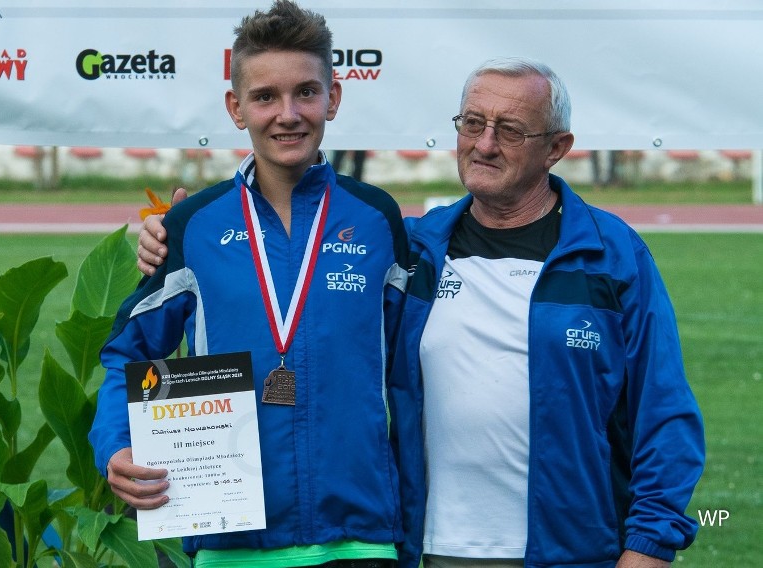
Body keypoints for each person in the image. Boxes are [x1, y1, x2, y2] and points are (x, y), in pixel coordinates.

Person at [138, 57, 705, 567]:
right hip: (425, 548)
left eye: (509, 130)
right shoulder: (411, 248)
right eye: (472, 123)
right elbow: (297, 291)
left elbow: (665, 414)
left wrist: (649, 547)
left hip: (572, 551)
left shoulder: (611, 254)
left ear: (556, 147)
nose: (484, 144)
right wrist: (182, 236)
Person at [90, 2, 424, 567]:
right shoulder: (195, 225)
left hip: (361, 538)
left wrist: (408, 535)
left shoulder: (376, 218)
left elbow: (408, 383)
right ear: (236, 108)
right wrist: (115, 443)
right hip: (231, 540)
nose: (287, 114)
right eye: (265, 96)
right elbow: (128, 352)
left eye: (306, 93)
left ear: (333, 99)